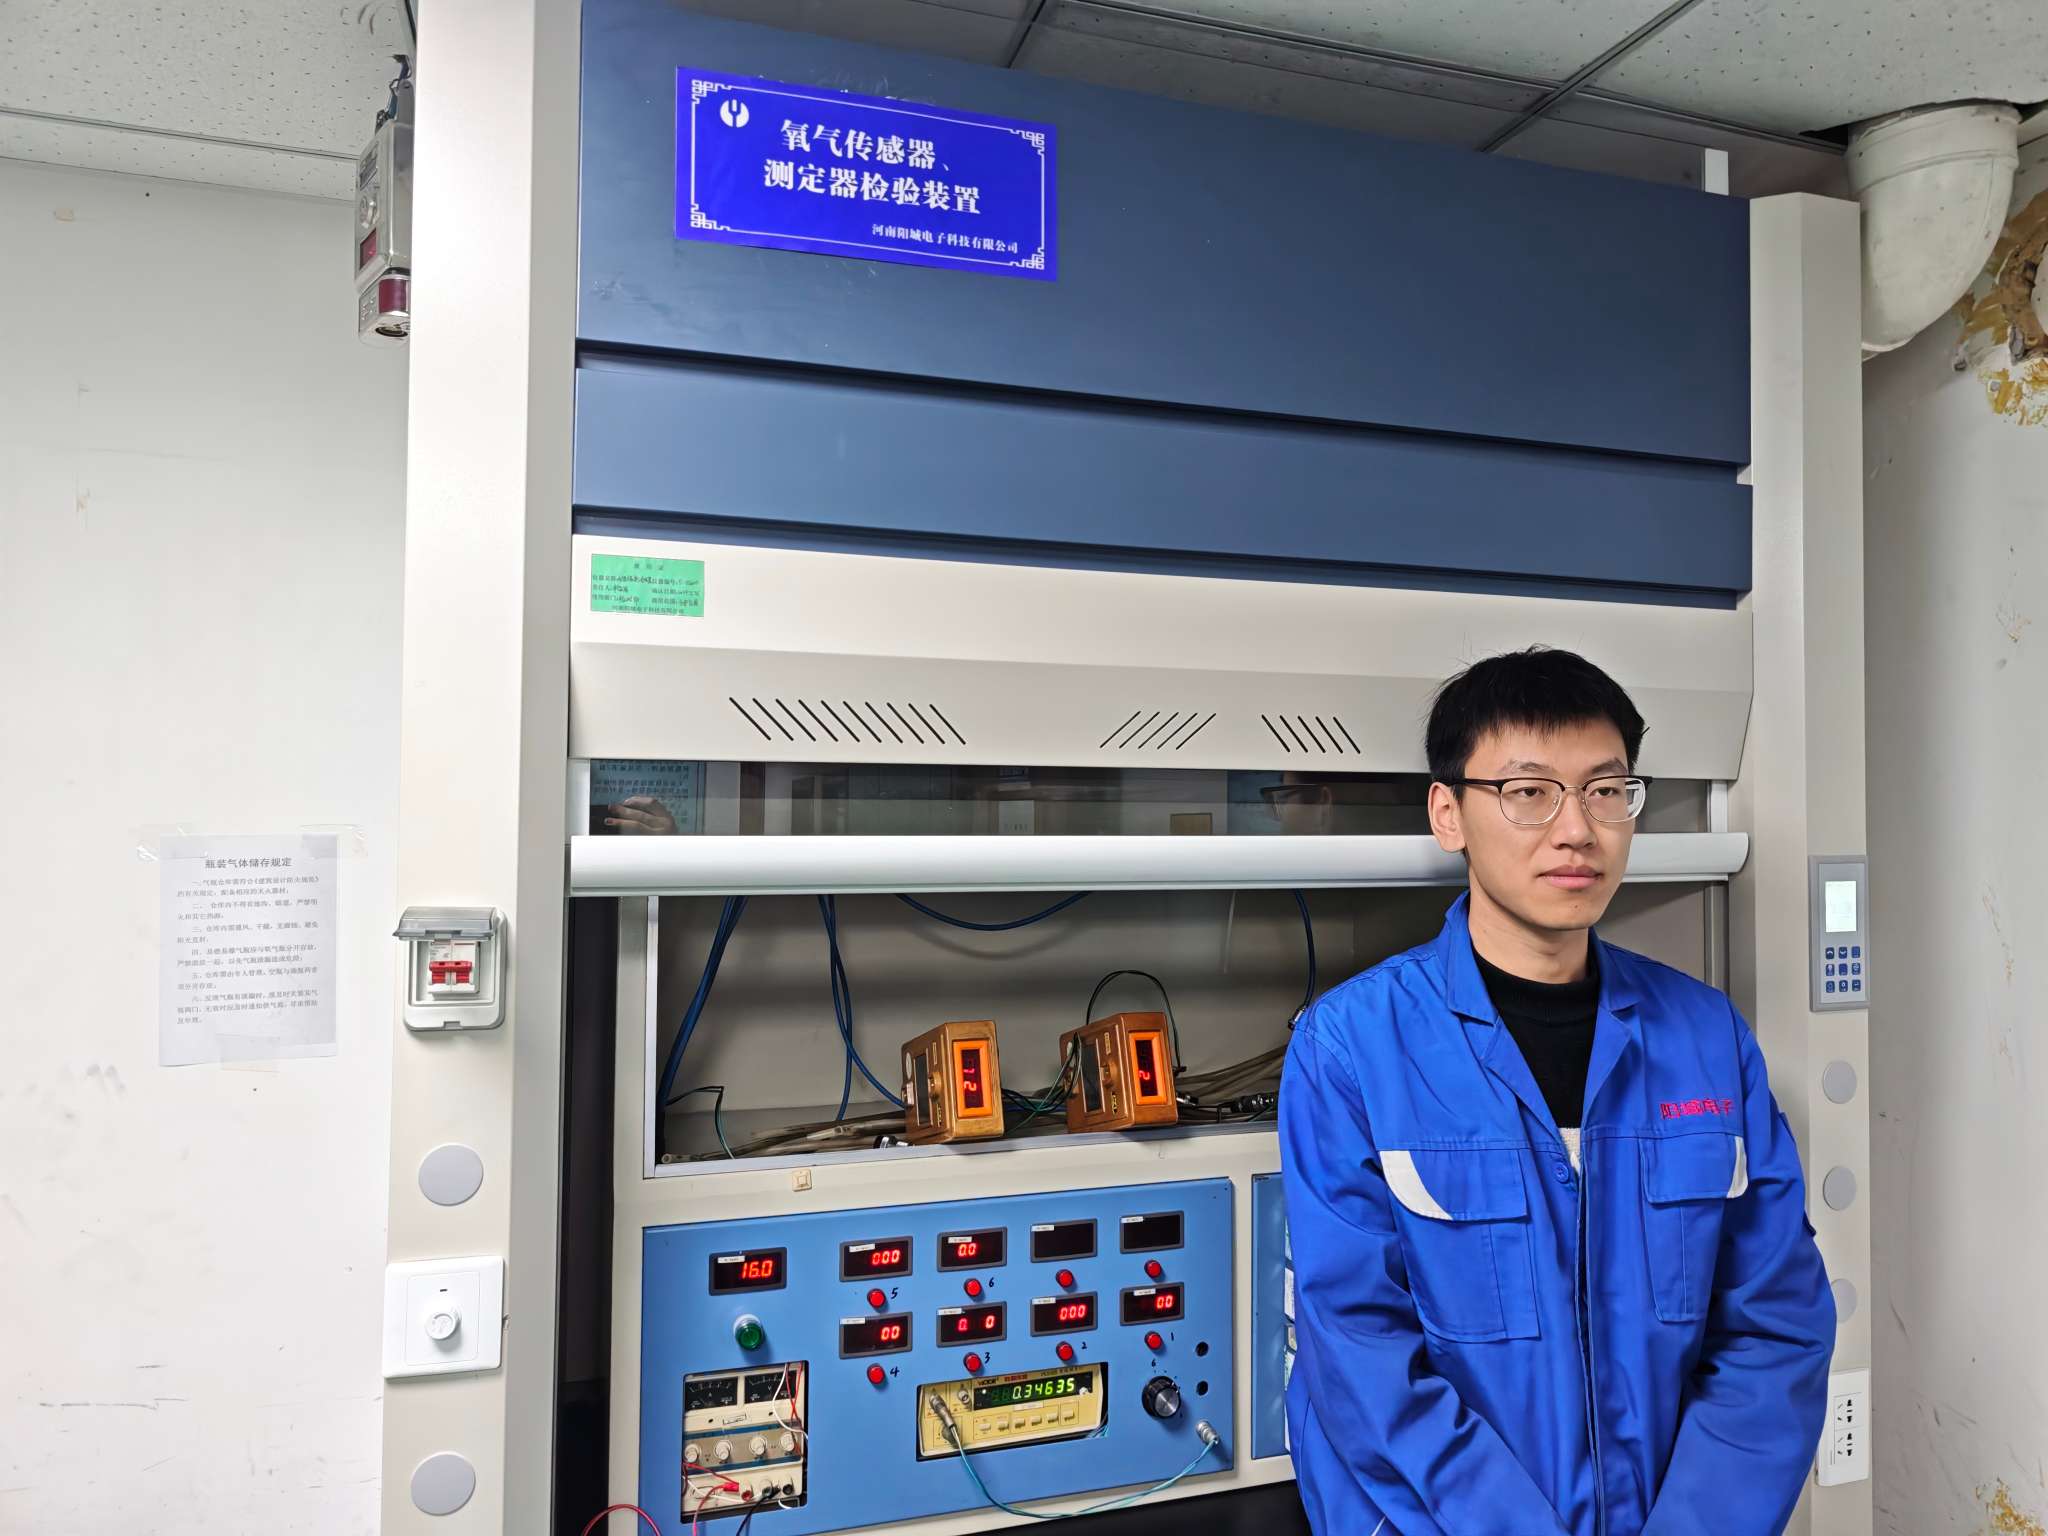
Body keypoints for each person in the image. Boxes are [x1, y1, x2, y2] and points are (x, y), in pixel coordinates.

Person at [1280, 647, 1833, 1536]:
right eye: (1529, 791)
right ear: (1449, 814)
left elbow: (1775, 1325)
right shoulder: (1352, 1048)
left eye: (1606, 790)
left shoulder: (1706, 1039)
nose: (1577, 829)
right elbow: (1359, 1354)